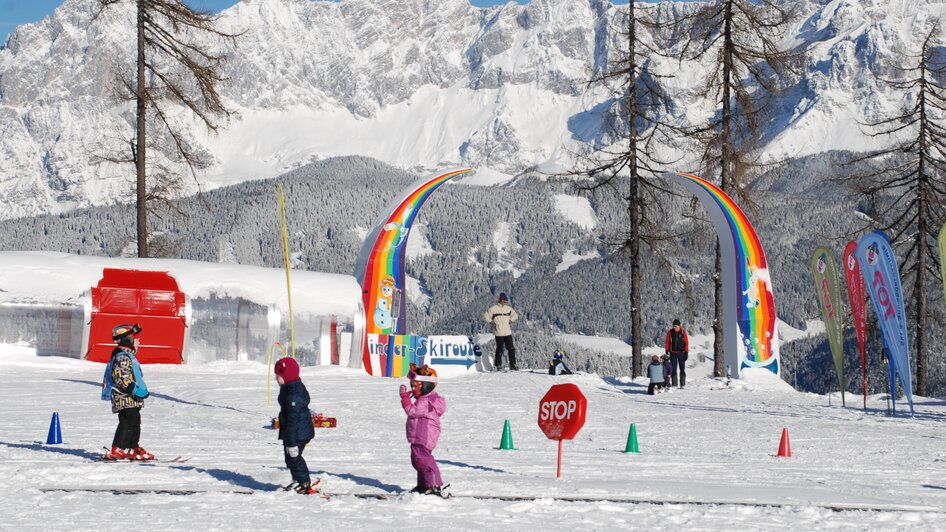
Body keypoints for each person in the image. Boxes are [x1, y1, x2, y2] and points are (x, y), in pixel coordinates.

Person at [101, 323, 153, 461]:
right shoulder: (121, 357)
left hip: (131, 398)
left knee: (135, 421)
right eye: (135, 338)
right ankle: (118, 447)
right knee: (127, 421)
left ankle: (132, 447)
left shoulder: (126, 356)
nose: (138, 341)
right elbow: (121, 376)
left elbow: (129, 368)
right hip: (124, 396)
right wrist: (135, 390)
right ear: (127, 340)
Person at [399, 363, 447, 497]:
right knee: (418, 460)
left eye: (415, 386)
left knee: (422, 459)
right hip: (420, 435)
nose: (413, 389)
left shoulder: (426, 401)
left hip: (424, 436)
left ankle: (434, 484)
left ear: (426, 385)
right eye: (412, 386)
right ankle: (423, 485)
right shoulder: (424, 399)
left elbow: (411, 411)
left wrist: (404, 398)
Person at [275, 357, 318, 495]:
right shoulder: (288, 388)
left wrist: (292, 443)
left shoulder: (293, 395)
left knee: (294, 457)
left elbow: (293, 421)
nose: (276, 379)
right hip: (292, 431)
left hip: (298, 433)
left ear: (286, 376)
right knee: (290, 458)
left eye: (278, 376)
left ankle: (303, 482)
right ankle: (297, 479)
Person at [483, 292, 519, 371]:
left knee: (511, 349)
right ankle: (498, 365)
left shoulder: (508, 309)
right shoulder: (493, 309)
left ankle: (513, 365)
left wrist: (510, 320)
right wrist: (492, 322)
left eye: (506, 302)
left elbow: (515, 315)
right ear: (501, 300)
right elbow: (485, 316)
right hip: (499, 332)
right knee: (499, 349)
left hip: (508, 332)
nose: (506, 303)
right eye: (504, 301)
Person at [664, 319, 689, 388]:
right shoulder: (670, 332)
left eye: (675, 326)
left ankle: (682, 384)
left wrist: (686, 353)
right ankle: (674, 384)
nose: (674, 327)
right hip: (673, 353)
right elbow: (667, 341)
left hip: (681, 353)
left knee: (682, 369)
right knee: (673, 369)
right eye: (673, 326)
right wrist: (666, 350)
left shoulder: (683, 332)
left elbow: (686, 343)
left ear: (679, 326)